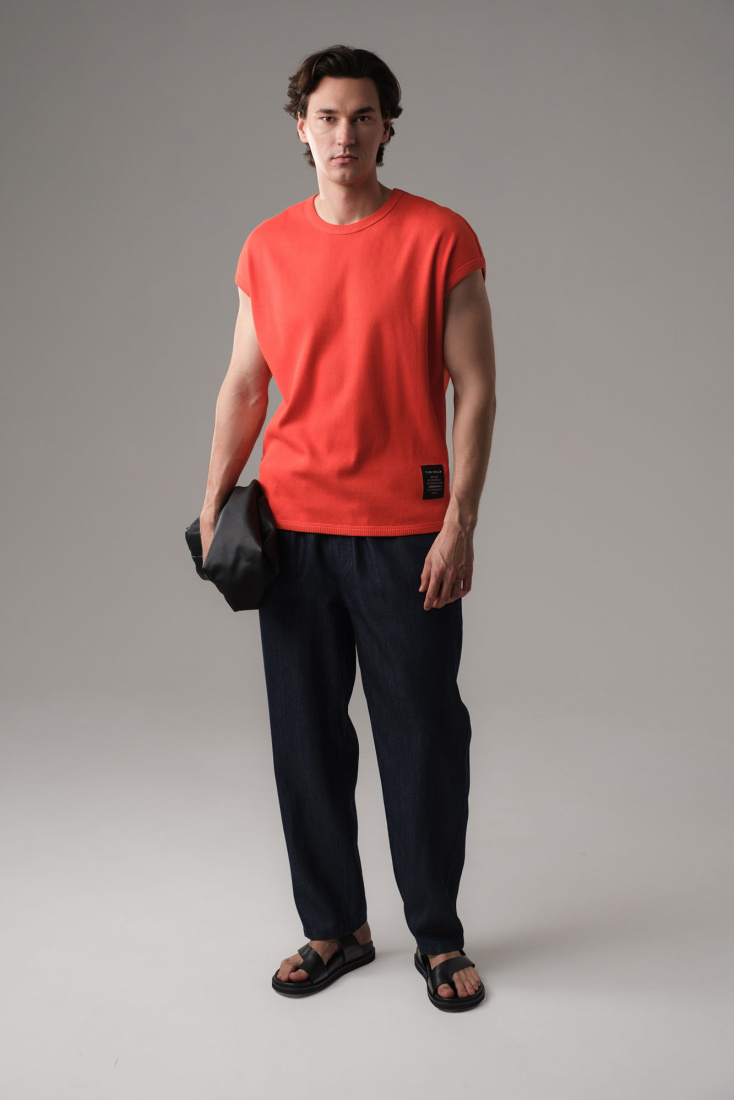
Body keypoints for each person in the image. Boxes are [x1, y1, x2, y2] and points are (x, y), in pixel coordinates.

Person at [197, 44, 496, 1011]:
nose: (345, 134)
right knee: (306, 741)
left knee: (424, 738)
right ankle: (335, 927)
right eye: (327, 117)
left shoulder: (440, 237)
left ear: (386, 127)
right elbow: (245, 386)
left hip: (405, 535)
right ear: (301, 127)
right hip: (292, 534)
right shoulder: (266, 247)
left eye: (363, 116)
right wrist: (213, 500)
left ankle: (438, 937)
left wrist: (459, 522)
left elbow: (477, 389)